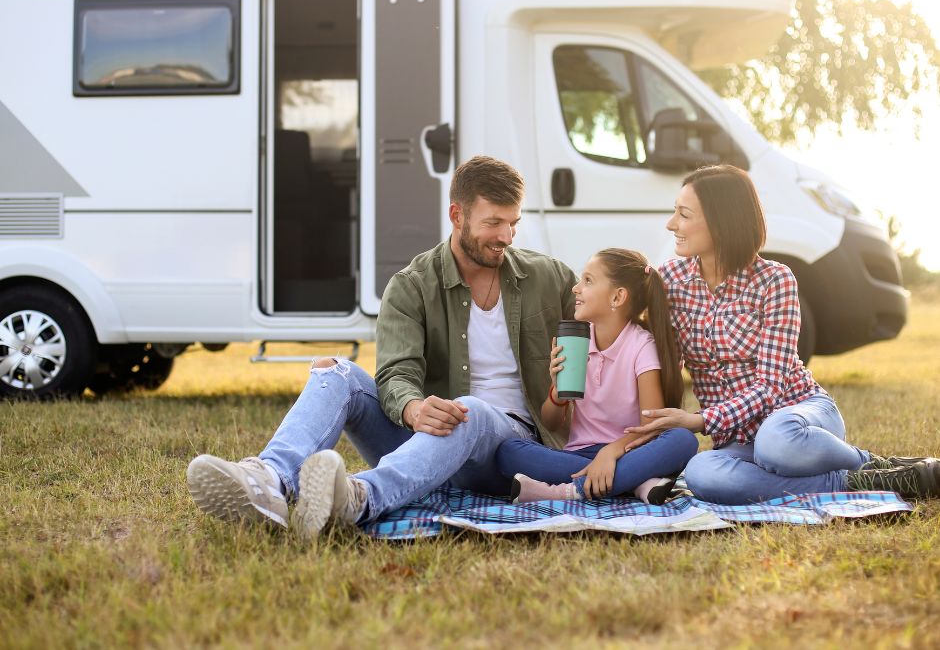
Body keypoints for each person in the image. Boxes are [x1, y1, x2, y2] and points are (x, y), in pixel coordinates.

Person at [186, 156, 577, 537]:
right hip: (426, 441)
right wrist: (414, 408)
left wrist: (639, 287)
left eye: (513, 223)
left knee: (469, 410)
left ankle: (359, 498)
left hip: (509, 450)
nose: (506, 237)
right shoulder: (412, 285)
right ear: (457, 215)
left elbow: (611, 328)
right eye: (494, 223)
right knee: (336, 371)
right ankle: (268, 480)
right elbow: (395, 373)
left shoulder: (550, 277)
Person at [619, 164, 939, 503]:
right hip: (738, 440)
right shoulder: (671, 280)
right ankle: (860, 481)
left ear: (720, 221)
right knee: (702, 473)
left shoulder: (776, 280)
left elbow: (770, 388)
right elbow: (644, 346)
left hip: (797, 416)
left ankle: (872, 464)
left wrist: (699, 420)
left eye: (683, 215)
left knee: (777, 445)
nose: (672, 225)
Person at [496, 249, 699, 504]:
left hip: (630, 449)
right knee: (508, 451)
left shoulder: (640, 345)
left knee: (682, 440)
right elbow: (552, 423)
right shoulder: (575, 341)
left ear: (617, 297)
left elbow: (652, 425)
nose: (576, 289)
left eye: (588, 281)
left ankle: (569, 491)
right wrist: (557, 394)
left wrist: (611, 452)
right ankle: (633, 482)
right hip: (580, 454)